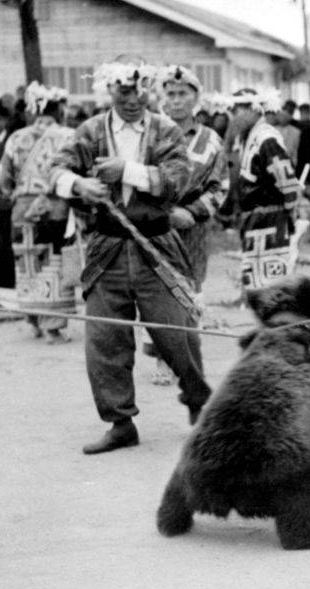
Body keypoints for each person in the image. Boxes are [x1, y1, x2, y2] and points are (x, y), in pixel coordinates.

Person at [49, 58, 211, 454]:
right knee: (105, 341)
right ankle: (120, 423)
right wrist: (78, 185)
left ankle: (200, 406)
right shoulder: (89, 131)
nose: (135, 99)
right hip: (106, 250)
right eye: (125, 91)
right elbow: (55, 171)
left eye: (141, 91)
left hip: (156, 245)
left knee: (178, 334)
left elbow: (177, 181)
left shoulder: (166, 129)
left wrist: (127, 171)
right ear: (110, 91)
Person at [143, 65, 226, 385]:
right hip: (155, 225)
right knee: (156, 291)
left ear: (196, 98)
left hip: (192, 228)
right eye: (170, 94)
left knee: (188, 290)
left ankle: (185, 357)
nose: (176, 101)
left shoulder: (210, 140)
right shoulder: (150, 134)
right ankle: (162, 358)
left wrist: (192, 212)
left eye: (183, 94)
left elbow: (220, 187)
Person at [0, 82, 77, 342]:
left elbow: (3, 176)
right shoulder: (68, 135)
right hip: (54, 208)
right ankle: (52, 326)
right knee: (52, 263)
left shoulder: (16, 137)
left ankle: (33, 321)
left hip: (21, 208)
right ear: (59, 110)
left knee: (26, 263)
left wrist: (14, 194)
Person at [227, 87, 304, 291]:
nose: (234, 116)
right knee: (257, 281)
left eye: (238, 110)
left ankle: (282, 321)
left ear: (254, 110)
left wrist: (289, 209)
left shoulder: (266, 137)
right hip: (256, 219)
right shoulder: (249, 136)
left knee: (272, 281)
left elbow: (286, 178)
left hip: (270, 218)